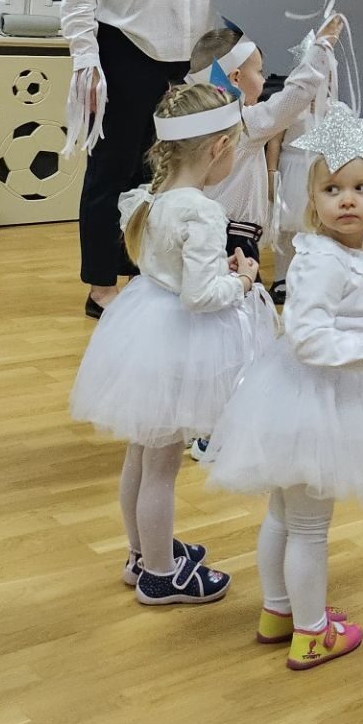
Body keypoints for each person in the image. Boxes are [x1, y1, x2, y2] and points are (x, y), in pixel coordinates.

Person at [61, 0, 325, 319]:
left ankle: (145, 270)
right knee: (112, 171)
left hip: (177, 62)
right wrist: (85, 61)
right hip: (124, 51)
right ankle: (101, 283)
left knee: (162, 171)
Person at [206, 103, 363, 671]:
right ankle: (311, 633)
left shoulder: (362, 248)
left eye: (360, 188)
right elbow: (309, 339)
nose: (347, 200)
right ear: (312, 199)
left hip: (324, 393)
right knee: (306, 525)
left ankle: (278, 611)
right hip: (313, 399)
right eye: (332, 189)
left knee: (285, 514)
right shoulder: (320, 259)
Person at [68, 82, 273, 606]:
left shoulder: (155, 196)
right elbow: (202, 296)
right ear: (219, 148)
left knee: (140, 455)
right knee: (162, 467)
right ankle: (161, 575)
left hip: (147, 325)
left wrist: (216, 270)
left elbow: (175, 269)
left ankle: (142, 554)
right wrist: (243, 279)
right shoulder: (202, 211)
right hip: (179, 339)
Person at [191, 16, 340, 304]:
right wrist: (323, 46)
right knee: (241, 308)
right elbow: (296, 94)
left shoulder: (198, 122)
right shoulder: (244, 124)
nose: (263, 79)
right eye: (259, 72)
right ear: (236, 78)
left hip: (204, 233)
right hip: (235, 241)